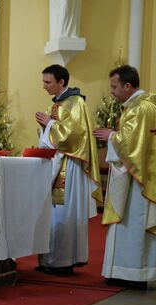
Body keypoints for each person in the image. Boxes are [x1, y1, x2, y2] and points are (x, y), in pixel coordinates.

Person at [34, 64, 103, 275]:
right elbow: (51, 136)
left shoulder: (76, 102)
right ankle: (50, 260)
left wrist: (50, 125)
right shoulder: (58, 104)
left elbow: (74, 136)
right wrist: (46, 126)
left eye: (48, 82)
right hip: (57, 163)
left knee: (63, 212)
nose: (44, 86)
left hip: (69, 166)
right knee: (53, 214)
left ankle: (62, 262)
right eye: (44, 81)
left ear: (61, 82)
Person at [93, 65, 156, 289]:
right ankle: (122, 271)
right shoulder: (137, 105)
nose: (112, 91)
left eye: (114, 87)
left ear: (128, 86)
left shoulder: (141, 108)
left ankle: (133, 274)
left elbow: (133, 146)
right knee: (126, 224)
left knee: (133, 223)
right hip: (132, 175)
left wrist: (112, 136)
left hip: (138, 179)